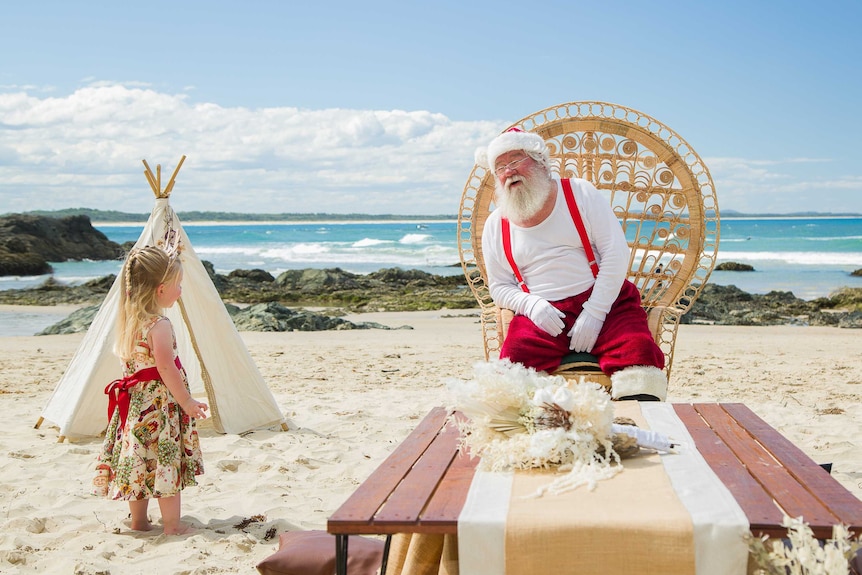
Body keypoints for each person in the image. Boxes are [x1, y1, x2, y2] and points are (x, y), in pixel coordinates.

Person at [475, 128, 667, 401]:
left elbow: (615, 253)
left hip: (605, 300)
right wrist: (532, 306)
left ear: (540, 161)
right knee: (512, 368)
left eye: (516, 161)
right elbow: (499, 287)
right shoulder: (496, 225)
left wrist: (596, 312)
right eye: (500, 167)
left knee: (638, 350)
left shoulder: (580, 193)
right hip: (542, 314)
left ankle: (636, 428)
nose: (508, 172)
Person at [93, 245, 208, 535]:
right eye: (177, 285)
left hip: (135, 407)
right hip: (160, 408)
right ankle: (172, 526)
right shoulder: (160, 325)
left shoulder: (128, 321)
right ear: (160, 289)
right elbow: (166, 368)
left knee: (140, 463)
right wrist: (187, 401)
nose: (180, 291)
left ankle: (139, 522)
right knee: (165, 462)